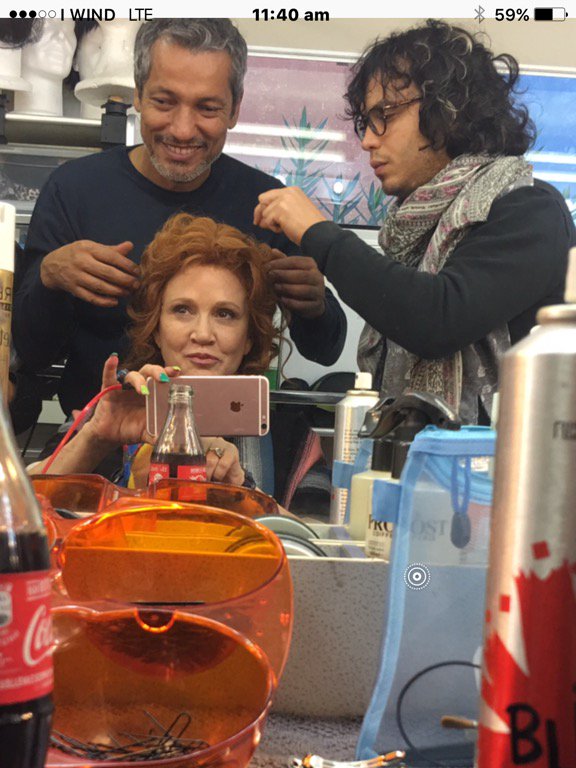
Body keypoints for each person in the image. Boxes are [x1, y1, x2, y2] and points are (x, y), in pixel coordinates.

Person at [13, 18, 345, 419]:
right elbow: (30, 352)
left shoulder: (266, 205)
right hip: (95, 434)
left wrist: (314, 305)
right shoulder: (73, 190)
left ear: (235, 108)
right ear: (138, 94)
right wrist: (49, 277)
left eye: (207, 108)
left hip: (225, 437)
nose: (184, 130)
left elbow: (325, 350)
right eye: (164, 102)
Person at [254, 19, 576, 424]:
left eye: (384, 114)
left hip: (499, 460)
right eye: (366, 122)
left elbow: (437, 319)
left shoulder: (530, 209)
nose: (368, 140)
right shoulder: (414, 230)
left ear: (449, 108)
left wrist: (319, 232)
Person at [31, 213, 330, 513]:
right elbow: (19, 511)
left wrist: (241, 487)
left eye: (225, 314)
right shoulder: (109, 415)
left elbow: (320, 539)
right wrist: (95, 439)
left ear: (249, 337)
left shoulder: (292, 439)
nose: (203, 334)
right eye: (182, 310)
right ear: (156, 329)